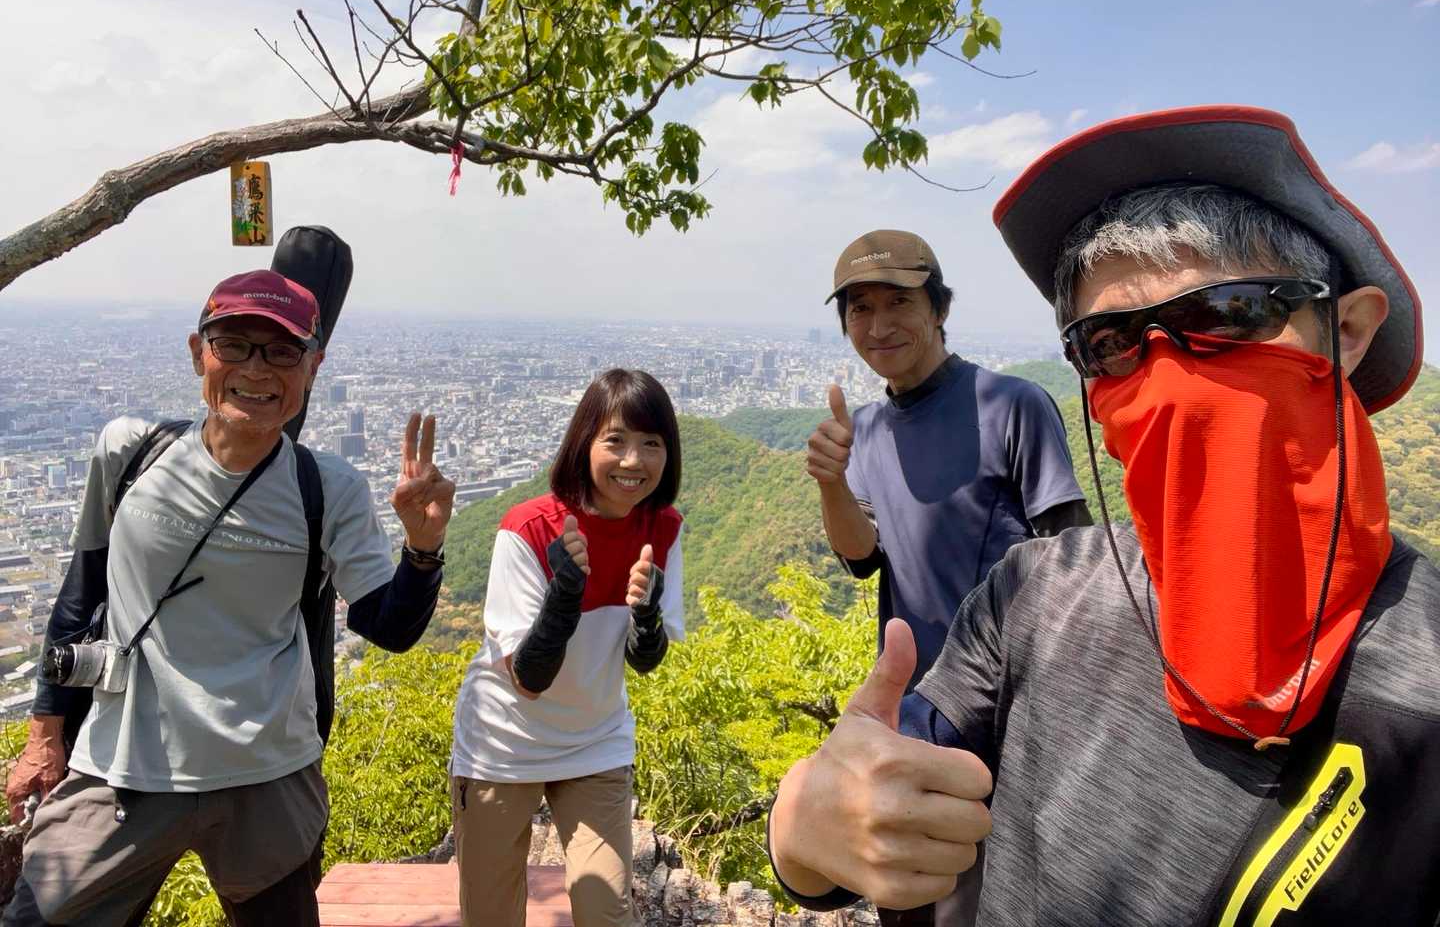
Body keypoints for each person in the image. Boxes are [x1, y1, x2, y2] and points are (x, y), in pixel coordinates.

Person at [769, 107, 1439, 924]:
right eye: (1111, 342)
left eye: (1226, 313)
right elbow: (865, 567)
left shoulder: (1424, 684)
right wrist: (802, 825)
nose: (1168, 374)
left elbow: (1062, 521)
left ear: (1346, 328)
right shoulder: (1032, 599)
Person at [3, 270, 456, 927]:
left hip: (266, 774)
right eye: (234, 345)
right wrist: (44, 737)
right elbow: (80, 596)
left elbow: (387, 626)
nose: (257, 368)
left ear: (312, 367)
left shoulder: (327, 488)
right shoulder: (130, 453)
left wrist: (423, 547)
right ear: (199, 354)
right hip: (122, 763)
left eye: (282, 351)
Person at [449, 368, 686, 927]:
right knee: (492, 915)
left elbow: (645, 661)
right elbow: (528, 679)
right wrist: (564, 597)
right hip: (503, 743)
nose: (633, 460)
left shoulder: (663, 528)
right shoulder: (529, 529)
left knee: (606, 912)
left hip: (595, 739)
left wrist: (645, 614)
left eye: (651, 443)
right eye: (616, 440)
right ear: (584, 444)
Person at [807, 229, 1090, 689]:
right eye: (861, 309)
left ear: (940, 309)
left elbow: (1075, 553)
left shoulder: (1011, 406)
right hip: (917, 696)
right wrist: (831, 481)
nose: (879, 328)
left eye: (899, 302)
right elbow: (861, 557)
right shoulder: (864, 429)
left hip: (1013, 691)